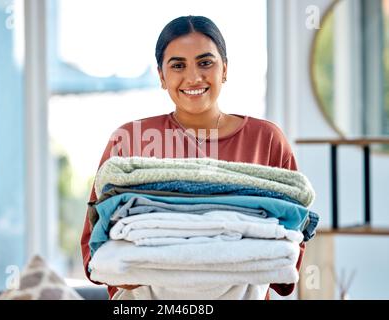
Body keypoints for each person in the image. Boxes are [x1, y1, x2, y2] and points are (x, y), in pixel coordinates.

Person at [80, 15, 305, 300]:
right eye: (177, 65)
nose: (194, 77)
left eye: (205, 62)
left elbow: (292, 229)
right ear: (162, 76)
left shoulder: (266, 139)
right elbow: (94, 243)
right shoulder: (130, 140)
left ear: (225, 69)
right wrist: (135, 270)